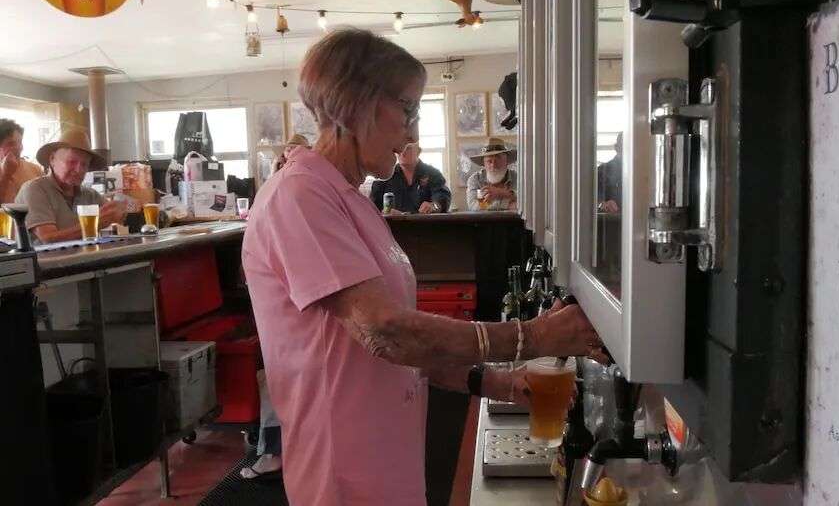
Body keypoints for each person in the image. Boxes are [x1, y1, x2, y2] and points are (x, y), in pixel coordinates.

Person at [242, 28, 605, 506]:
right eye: (408, 109)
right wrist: (533, 336)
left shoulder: (351, 198)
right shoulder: (300, 195)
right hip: (344, 466)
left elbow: (402, 350)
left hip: (386, 448)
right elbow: (386, 331)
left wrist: (494, 381)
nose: (412, 132)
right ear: (357, 104)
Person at [16, 128, 126, 244]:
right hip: (43, 261)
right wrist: (98, 223)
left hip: (84, 259)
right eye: (72, 162)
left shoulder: (90, 195)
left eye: (84, 164)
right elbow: (48, 238)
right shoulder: (35, 189)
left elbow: (117, 218)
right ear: (52, 159)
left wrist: (120, 211)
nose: (78, 170)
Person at [370, 143, 451, 214]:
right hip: (393, 228)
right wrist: (385, 213)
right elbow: (371, 207)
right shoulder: (385, 175)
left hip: (426, 226)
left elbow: (442, 197)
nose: (403, 152)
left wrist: (433, 206)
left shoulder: (433, 173)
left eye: (408, 148)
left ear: (418, 151)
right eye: (399, 148)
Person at [466, 138, 518, 211]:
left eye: (498, 160)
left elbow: (526, 202)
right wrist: (508, 203)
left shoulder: (518, 177)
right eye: (489, 161)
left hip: (512, 221)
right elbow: (473, 207)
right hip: (484, 222)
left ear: (507, 161)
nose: (493, 165)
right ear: (483, 164)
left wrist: (501, 193)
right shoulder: (475, 179)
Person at [0, 118, 43, 203]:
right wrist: (6, 175)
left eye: (20, 142)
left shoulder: (35, 169)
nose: (19, 147)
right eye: (11, 143)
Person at [597, 133, 622, 213]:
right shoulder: (602, 171)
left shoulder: (642, 174)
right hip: (612, 222)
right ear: (617, 147)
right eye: (626, 146)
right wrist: (603, 204)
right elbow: (592, 201)